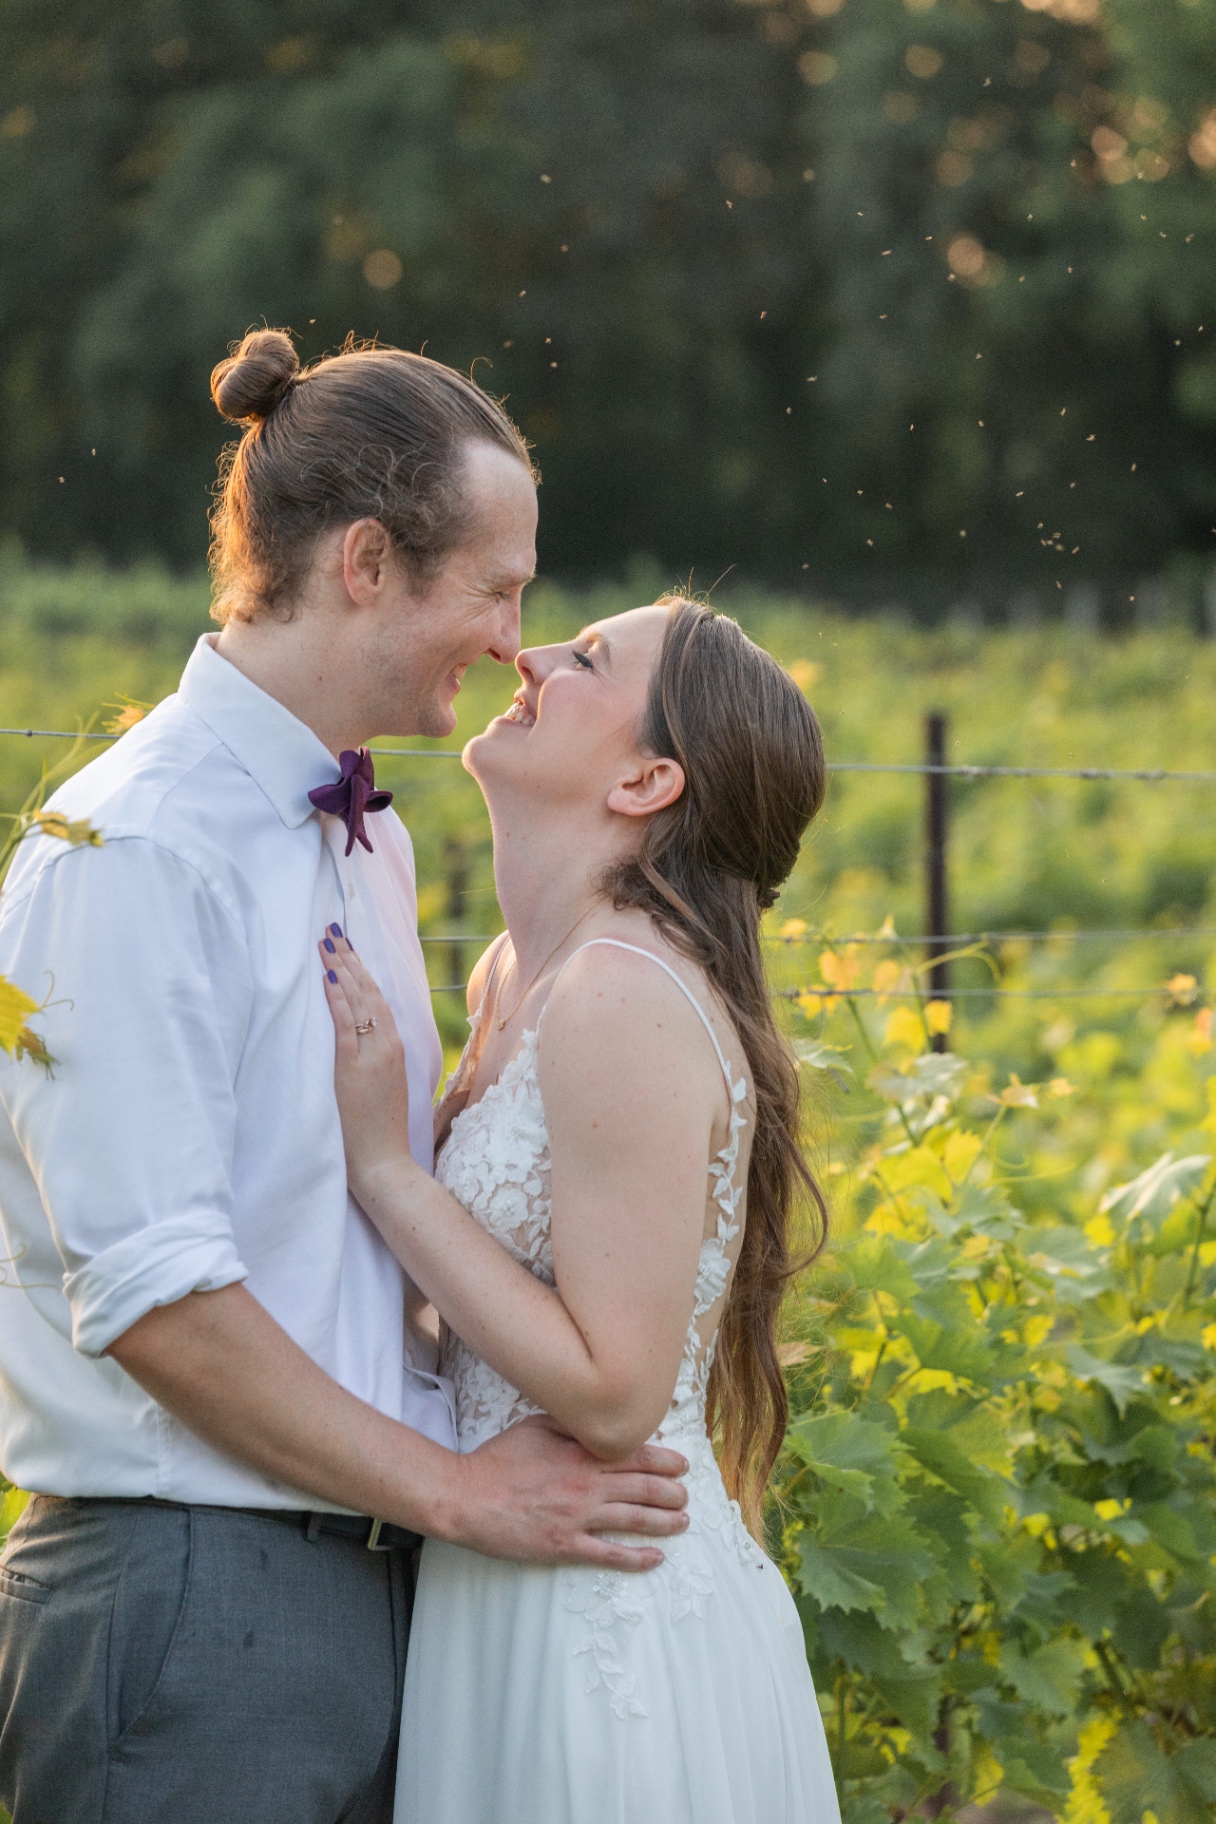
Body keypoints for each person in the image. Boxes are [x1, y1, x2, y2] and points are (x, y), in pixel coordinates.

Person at [0, 330, 690, 1824]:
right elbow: (153, 1296)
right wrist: (458, 1491)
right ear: (368, 561)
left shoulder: (364, 835)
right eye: (497, 588)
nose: (517, 638)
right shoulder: (134, 851)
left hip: (372, 1583)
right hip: (190, 1590)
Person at [318, 596, 844, 1823]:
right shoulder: (514, 975)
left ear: (648, 780)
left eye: (588, 658)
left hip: (604, 1620)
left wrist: (386, 1170)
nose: (530, 653)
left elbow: (614, 1391)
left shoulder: (621, 992)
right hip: (499, 1576)